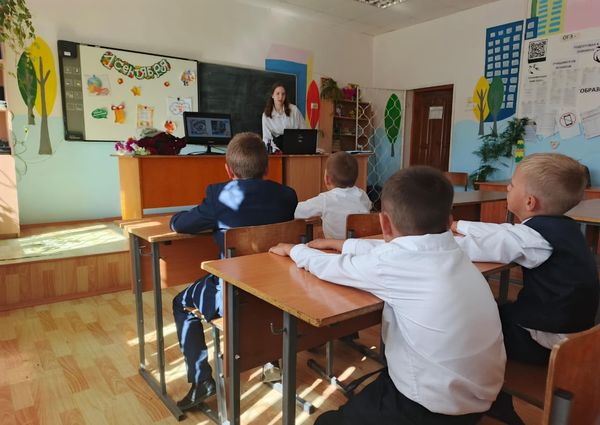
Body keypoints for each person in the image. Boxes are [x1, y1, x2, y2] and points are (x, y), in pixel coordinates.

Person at [270, 166, 506, 425]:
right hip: (481, 398)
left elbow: (332, 267)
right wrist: (344, 244)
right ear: (450, 220)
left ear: (384, 223)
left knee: (326, 422)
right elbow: (396, 251)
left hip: (429, 409)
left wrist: (295, 250)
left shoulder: (395, 263)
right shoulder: (457, 252)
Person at [452, 152, 599, 424]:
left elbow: (480, 247)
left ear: (530, 202)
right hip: (575, 334)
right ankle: (496, 401)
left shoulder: (535, 237)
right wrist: (458, 224)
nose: (507, 188)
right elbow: (503, 233)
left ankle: (476, 402)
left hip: (544, 340)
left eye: (511, 185)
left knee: (469, 326)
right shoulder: (562, 228)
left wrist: (436, 238)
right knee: (496, 311)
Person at [170, 132, 298, 411]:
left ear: (228, 170)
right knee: (262, 275)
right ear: (267, 167)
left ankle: (201, 380)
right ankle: (270, 361)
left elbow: (182, 224)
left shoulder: (219, 195)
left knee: (181, 303)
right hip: (278, 292)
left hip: (231, 295)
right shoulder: (287, 196)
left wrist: (173, 220)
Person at [294, 151, 372, 239]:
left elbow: (295, 211)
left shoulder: (325, 200)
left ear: (327, 179)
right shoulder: (362, 194)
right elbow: (368, 206)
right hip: (359, 243)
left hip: (334, 246)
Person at [261, 82, 306, 152]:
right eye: (277, 93)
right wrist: (275, 150)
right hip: (277, 146)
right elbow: (266, 138)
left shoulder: (294, 109)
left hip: (295, 144)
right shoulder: (266, 115)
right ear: (272, 95)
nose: (281, 97)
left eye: (283, 94)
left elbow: (304, 129)